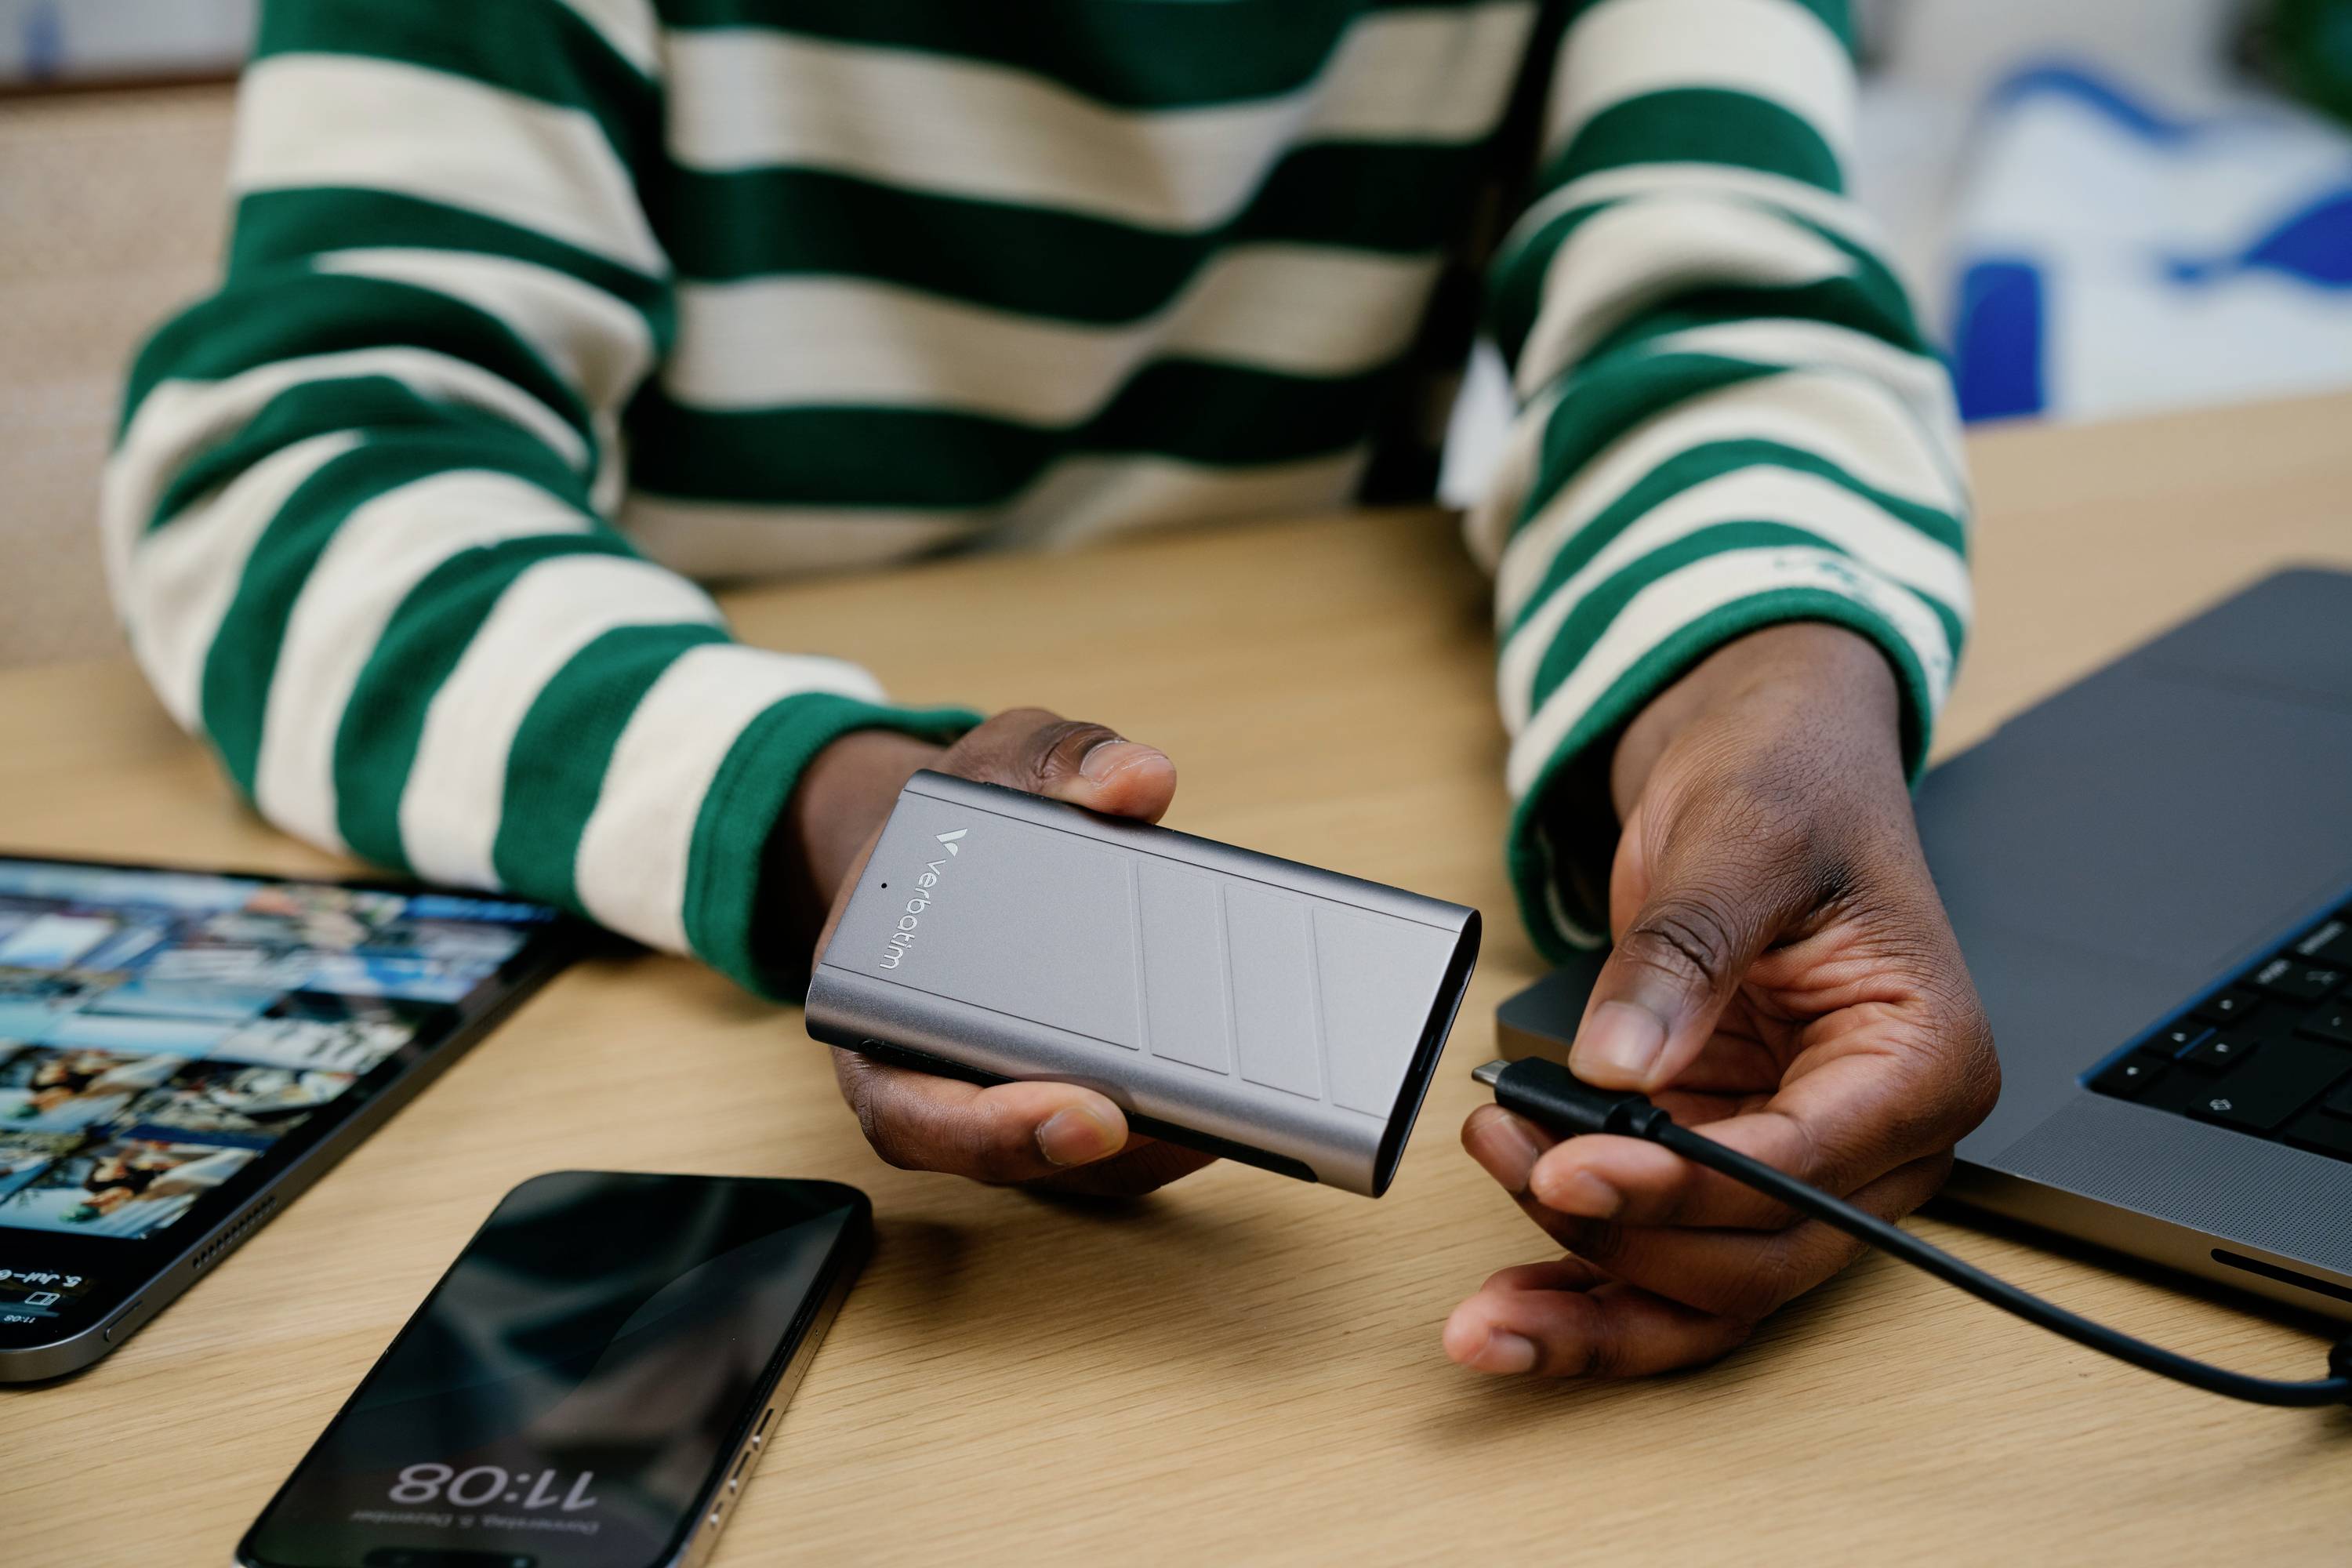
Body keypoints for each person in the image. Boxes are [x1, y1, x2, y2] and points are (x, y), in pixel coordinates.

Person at [105, 0, 1994, 1379]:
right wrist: (820, 805)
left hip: (1304, 730)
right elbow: (303, 467)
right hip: (646, 858)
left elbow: (1724, 314)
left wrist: (1764, 669)